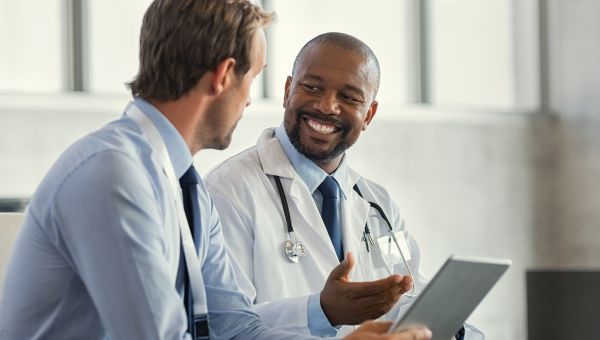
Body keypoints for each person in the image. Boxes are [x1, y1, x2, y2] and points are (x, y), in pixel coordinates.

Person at [0, 1, 433, 340]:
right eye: (253, 79)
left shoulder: (185, 189)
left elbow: (235, 329)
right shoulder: (115, 177)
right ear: (225, 76)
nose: (249, 102)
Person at [204, 32, 482, 339]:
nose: (326, 106)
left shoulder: (379, 205)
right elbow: (224, 326)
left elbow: (406, 293)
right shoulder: (228, 191)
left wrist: (451, 327)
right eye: (312, 87)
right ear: (287, 91)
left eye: (349, 97)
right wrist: (321, 311)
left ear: (369, 115)